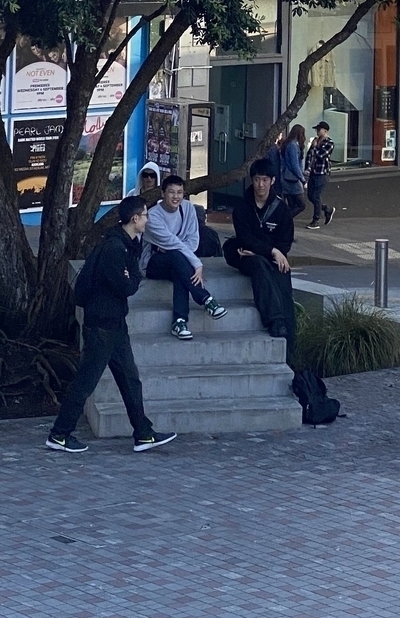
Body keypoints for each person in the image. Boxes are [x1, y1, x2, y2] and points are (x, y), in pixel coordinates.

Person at [47, 194, 175, 455]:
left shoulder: (127, 243)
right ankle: (59, 434)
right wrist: (131, 277)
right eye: (145, 215)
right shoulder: (114, 249)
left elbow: (130, 279)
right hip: (101, 326)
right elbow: (126, 286)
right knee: (86, 380)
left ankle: (143, 433)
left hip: (115, 324)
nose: (147, 220)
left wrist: (131, 276)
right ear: (134, 218)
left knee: (130, 379)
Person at [142, 173, 228, 338]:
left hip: (177, 261)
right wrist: (196, 263)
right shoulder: (153, 216)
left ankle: (179, 322)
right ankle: (205, 298)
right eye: (171, 192)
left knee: (179, 267)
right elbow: (172, 242)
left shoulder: (188, 208)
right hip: (152, 263)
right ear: (162, 193)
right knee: (177, 258)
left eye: (179, 192)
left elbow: (193, 240)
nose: (176, 197)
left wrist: (179, 253)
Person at [224, 158, 296, 349]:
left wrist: (266, 252)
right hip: (246, 256)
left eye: (265, 179)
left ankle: (290, 343)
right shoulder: (242, 208)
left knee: (281, 274)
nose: (260, 184)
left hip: (268, 257)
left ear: (272, 180)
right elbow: (245, 238)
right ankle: (275, 320)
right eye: (257, 179)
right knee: (257, 263)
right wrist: (271, 251)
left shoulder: (282, 210)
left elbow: (285, 242)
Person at [303, 120, 335, 228]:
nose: (317, 131)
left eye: (319, 129)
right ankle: (327, 209)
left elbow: (321, 155)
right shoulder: (315, 142)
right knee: (310, 196)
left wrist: (315, 147)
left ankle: (315, 220)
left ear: (325, 131)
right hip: (313, 172)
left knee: (316, 196)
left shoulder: (329, 143)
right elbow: (309, 156)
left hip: (322, 173)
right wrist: (307, 168)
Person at [280, 124, 307, 214]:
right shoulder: (293, 145)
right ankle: (285, 221)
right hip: (292, 179)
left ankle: (286, 222)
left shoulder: (288, 144)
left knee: (291, 205)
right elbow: (294, 165)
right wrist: (302, 179)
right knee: (301, 205)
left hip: (285, 177)